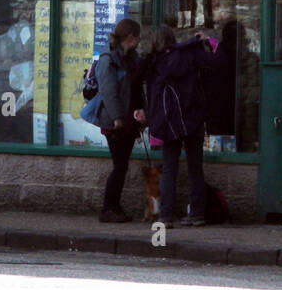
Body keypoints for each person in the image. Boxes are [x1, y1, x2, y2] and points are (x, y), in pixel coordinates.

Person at [141, 25, 224, 226]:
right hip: (193, 117)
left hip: (170, 121)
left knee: (170, 168)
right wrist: (211, 41)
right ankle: (197, 214)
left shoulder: (154, 62)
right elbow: (219, 62)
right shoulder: (190, 54)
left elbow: (147, 89)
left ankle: (165, 215)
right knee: (196, 167)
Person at [93, 18, 145, 223]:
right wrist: (116, 118)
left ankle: (114, 206)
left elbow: (137, 88)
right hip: (116, 122)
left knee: (121, 165)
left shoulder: (132, 58)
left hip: (129, 119)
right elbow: (108, 91)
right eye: (137, 37)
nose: (139, 40)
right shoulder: (109, 59)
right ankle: (108, 208)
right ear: (131, 37)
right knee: (120, 165)